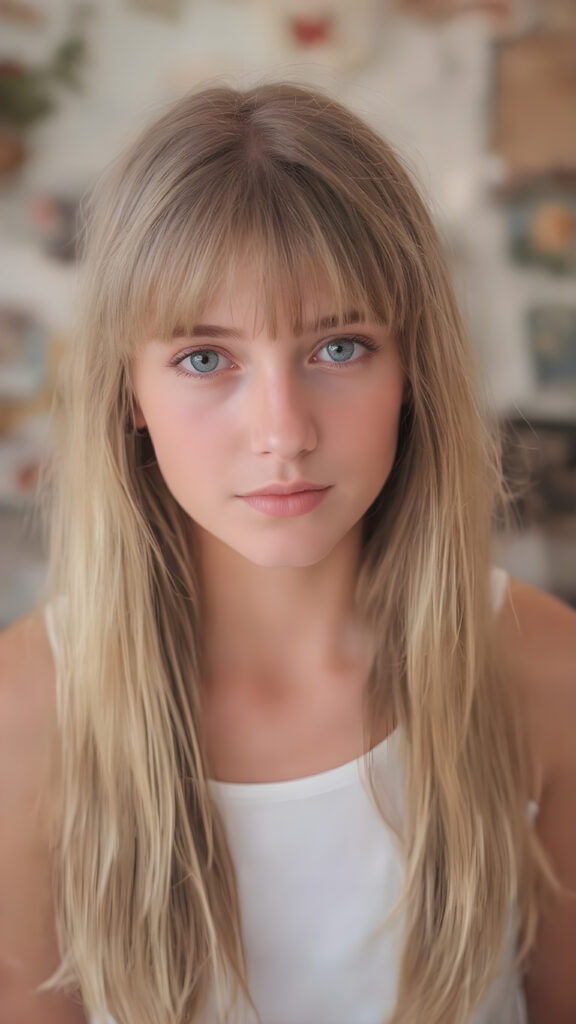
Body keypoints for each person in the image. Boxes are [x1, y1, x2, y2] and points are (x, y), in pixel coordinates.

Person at [0, 82, 575, 1024]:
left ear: (412, 371)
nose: (284, 431)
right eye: (204, 358)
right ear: (129, 391)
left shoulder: (544, 670)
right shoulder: (24, 712)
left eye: (340, 347)